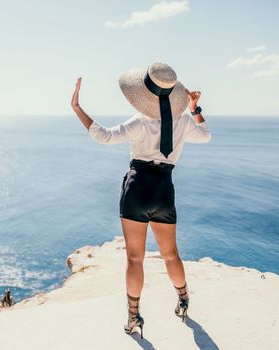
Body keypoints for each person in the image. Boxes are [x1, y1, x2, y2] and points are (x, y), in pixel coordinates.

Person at [70, 62, 211, 338]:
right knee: (171, 254)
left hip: (137, 189)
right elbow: (206, 135)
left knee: (135, 258)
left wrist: (77, 108)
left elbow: (104, 136)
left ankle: (134, 318)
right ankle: (183, 301)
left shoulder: (141, 121)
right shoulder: (182, 120)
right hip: (164, 190)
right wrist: (194, 109)